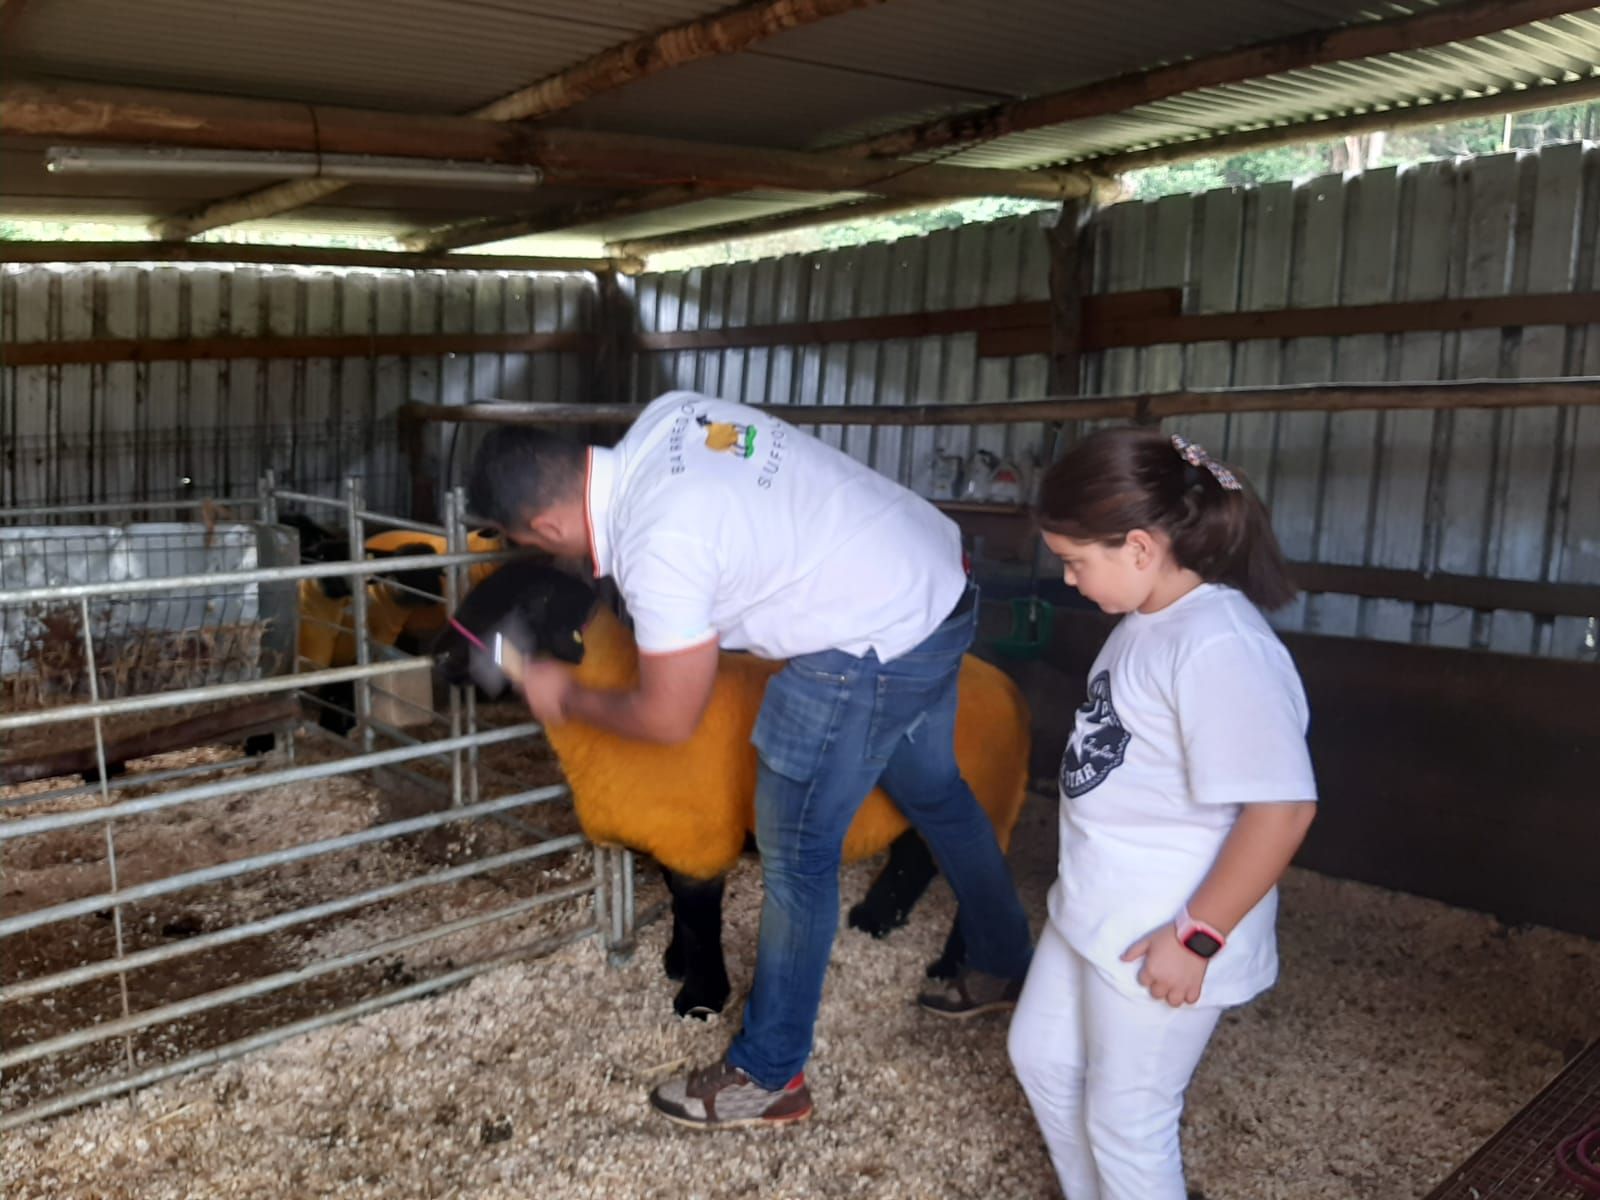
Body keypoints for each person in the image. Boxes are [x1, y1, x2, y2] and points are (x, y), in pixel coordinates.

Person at [465, 391, 1034, 1130]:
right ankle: (1004, 959)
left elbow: (671, 717)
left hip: (870, 642)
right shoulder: (668, 416)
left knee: (797, 857)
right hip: (938, 586)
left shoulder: (655, 549)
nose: (549, 555)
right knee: (934, 791)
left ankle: (769, 1074)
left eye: (538, 545)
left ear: (545, 527)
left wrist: (562, 693)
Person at [1008, 427, 1318, 1200]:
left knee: (1128, 1123)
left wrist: (1198, 935)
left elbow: (1282, 809)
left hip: (1165, 933)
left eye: (1077, 562)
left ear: (1141, 548)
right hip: (1096, 910)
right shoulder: (1146, 621)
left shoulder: (1219, 645)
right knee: (1042, 1057)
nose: (1071, 581)